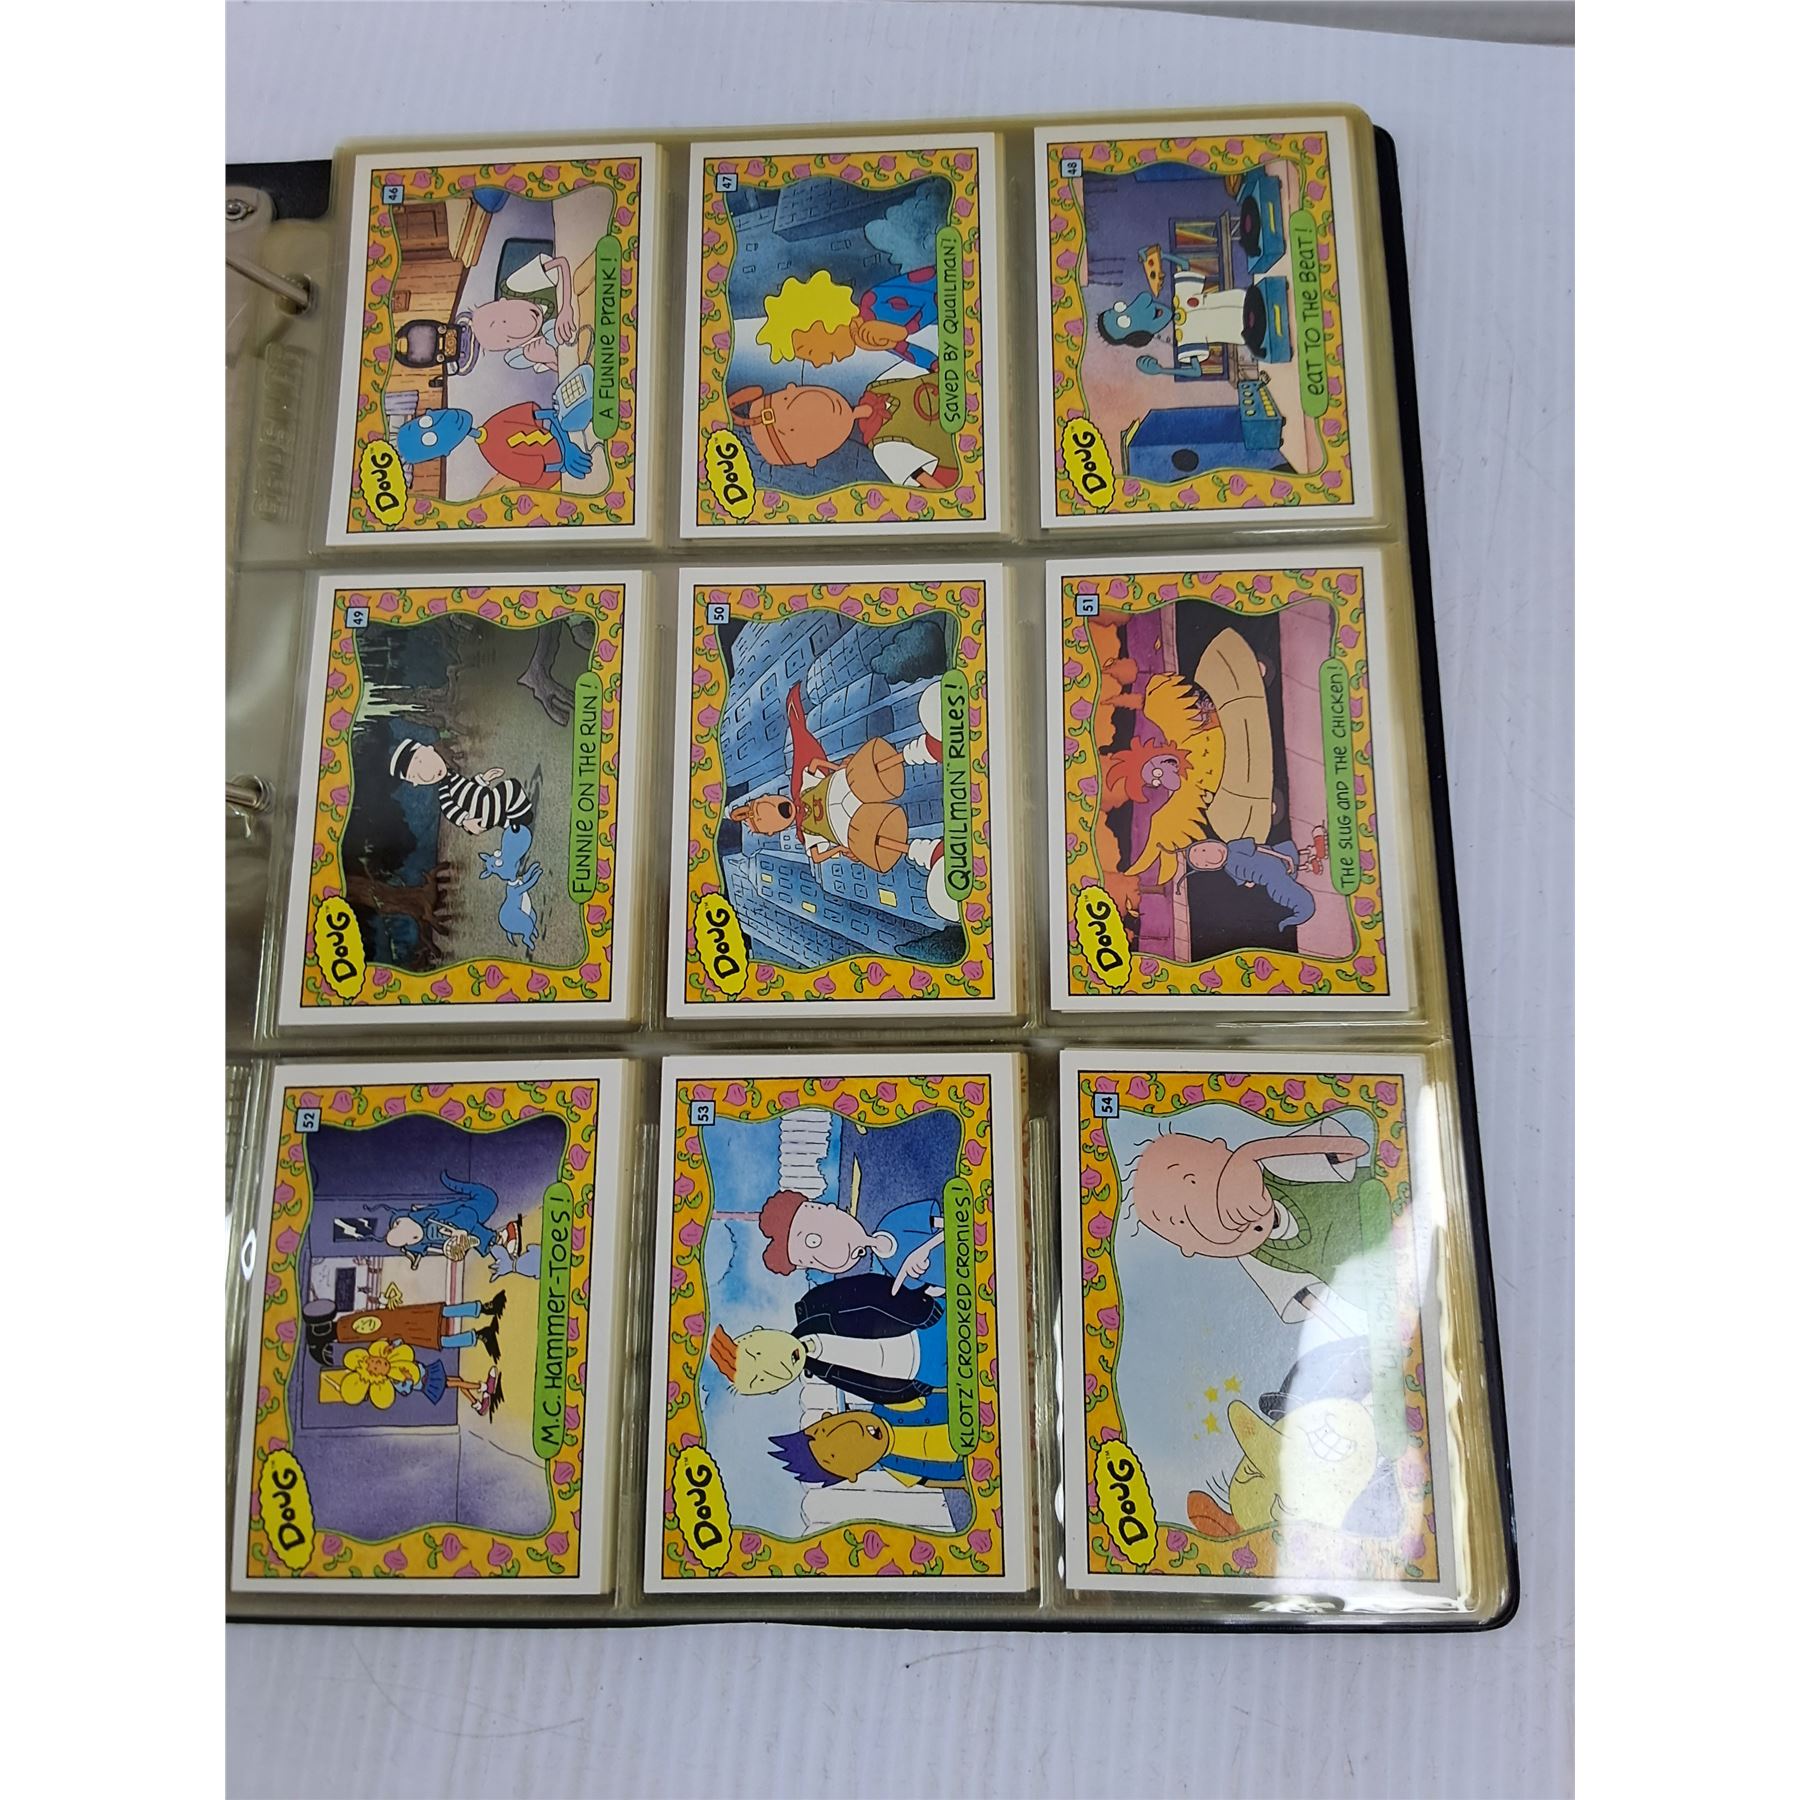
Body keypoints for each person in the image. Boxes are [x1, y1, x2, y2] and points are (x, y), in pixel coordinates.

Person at [727, 681, 955, 920]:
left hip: (845, 786)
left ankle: (928, 749)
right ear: (772, 832)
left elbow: (813, 761)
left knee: (868, 769)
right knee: (872, 841)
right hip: (847, 827)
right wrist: (842, 849)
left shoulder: (802, 785)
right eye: (765, 820)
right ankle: (930, 853)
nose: (773, 810)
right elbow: (817, 855)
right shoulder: (807, 834)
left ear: (771, 797)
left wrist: (840, 767)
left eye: (765, 805)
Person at [707, 1272, 946, 1407]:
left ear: (761, 1331)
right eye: (760, 1380)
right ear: (773, 1391)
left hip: (930, 1326)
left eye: (757, 1354)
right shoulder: (823, 1372)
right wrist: (914, 1390)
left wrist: (920, 1311)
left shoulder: (813, 1305)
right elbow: (872, 1390)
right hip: (926, 1373)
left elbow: (871, 1288)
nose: (773, 1368)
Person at [758, 1188, 946, 1293]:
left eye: (814, 1240)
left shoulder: (894, 1221)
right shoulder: (889, 1266)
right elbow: (934, 1290)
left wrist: (924, 1249)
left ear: (831, 1208)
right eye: (812, 1262)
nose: (825, 1259)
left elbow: (951, 1222)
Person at [768, 1395, 964, 1488]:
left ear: (828, 1416)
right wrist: (962, 1484)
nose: (841, 1436)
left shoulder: (890, 1403)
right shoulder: (895, 1467)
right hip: (965, 1462)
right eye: (833, 1456)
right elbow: (926, 1480)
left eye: (824, 1430)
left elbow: (930, 1396)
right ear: (851, 1475)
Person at [390, 737, 534, 836]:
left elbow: (469, 788)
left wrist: (484, 778)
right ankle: (523, 817)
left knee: (500, 809)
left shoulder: (452, 775)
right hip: (478, 815)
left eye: (423, 761)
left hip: (482, 806)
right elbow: (449, 809)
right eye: (417, 774)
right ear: (415, 782)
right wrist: (465, 821)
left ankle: (511, 826)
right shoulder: (444, 790)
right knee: (510, 787)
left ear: (430, 750)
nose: (429, 772)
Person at [1187, 837, 1318, 931]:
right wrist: (1253, 878)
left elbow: (1259, 849)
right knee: (1283, 887)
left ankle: (1310, 851)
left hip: (1272, 863)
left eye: (1204, 850)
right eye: (1204, 864)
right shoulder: (1229, 869)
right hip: (1268, 877)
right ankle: (1308, 866)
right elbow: (1247, 883)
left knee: (1289, 858)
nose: (1209, 858)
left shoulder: (1234, 846)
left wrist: (1282, 856)